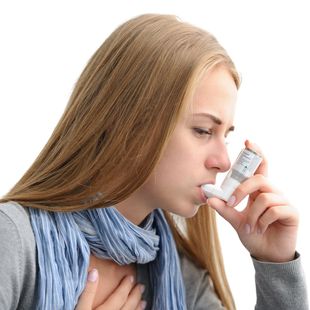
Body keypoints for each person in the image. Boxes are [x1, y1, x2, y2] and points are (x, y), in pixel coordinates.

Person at [0, 13, 308, 310]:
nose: (224, 162)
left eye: (225, 136)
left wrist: (276, 265)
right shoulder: (12, 239)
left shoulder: (181, 278)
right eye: (203, 130)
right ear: (131, 124)